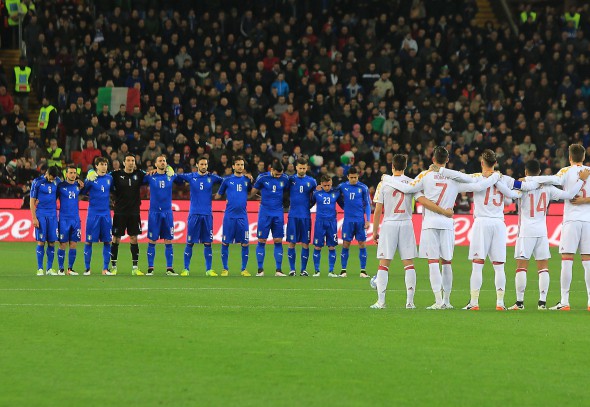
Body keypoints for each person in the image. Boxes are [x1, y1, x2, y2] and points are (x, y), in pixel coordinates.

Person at [384, 146, 500, 309]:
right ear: (447, 160)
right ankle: (447, 300)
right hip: (447, 224)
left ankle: (438, 301)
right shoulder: (454, 179)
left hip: (430, 224)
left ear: (433, 160)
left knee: (433, 262)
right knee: (447, 262)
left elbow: (408, 188)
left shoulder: (425, 175)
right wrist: (490, 176)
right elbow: (475, 184)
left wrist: (387, 179)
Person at [435, 149, 540, 310]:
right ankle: (500, 303)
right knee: (499, 266)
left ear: (482, 162)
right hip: (499, 223)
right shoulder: (504, 179)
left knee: (478, 264)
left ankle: (474, 302)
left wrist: (440, 170)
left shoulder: (476, 178)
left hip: (481, 223)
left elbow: (458, 177)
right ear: (495, 163)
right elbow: (523, 186)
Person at [499, 159, 589, 310]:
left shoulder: (524, 186)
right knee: (543, 267)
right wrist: (581, 180)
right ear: (540, 172)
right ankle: (542, 302)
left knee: (521, 267)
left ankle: (519, 302)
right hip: (542, 231)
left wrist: (499, 181)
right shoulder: (548, 187)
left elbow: (508, 194)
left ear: (526, 172)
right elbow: (569, 194)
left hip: (526, 231)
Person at [370, 154, 454, 309]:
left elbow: (378, 209)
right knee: (408, 264)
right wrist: (442, 211)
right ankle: (410, 302)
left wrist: (375, 231)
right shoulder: (411, 182)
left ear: (392, 166)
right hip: (406, 224)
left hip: (389, 224)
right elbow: (422, 201)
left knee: (384, 264)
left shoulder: (384, 183)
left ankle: (381, 302)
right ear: (406, 166)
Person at [527, 144, 590, 311]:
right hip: (588, 221)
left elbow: (552, 180)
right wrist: (586, 200)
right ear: (583, 157)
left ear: (570, 157)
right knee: (588, 262)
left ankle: (564, 301)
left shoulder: (565, 171)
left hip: (571, 221)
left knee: (567, 260)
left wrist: (531, 179)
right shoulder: (589, 171)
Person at [176, 156, 223, 276]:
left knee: (208, 243)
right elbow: (177, 176)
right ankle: (186, 269)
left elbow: (226, 181)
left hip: (207, 215)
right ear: (197, 165)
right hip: (194, 214)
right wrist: (167, 170)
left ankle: (209, 270)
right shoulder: (191, 177)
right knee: (190, 242)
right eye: (201, 164)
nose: (204, 166)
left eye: (205, 164)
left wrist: (221, 193)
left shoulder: (211, 177)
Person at [108, 153, 148, 276]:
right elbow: (102, 176)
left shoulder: (139, 174)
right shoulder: (115, 175)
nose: (131, 162)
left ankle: (135, 267)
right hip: (120, 211)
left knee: (134, 238)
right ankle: (113, 266)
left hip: (134, 212)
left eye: (133, 160)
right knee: (116, 238)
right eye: (128, 160)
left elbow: (151, 176)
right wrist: (91, 173)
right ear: (124, 162)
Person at [250, 161, 289, 276]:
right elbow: (252, 193)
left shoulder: (285, 178)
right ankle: (260, 270)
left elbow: (290, 191)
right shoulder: (262, 177)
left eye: (280, 174)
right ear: (271, 169)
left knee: (278, 240)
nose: (278, 176)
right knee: (262, 240)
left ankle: (278, 270)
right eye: (276, 174)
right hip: (265, 212)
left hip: (278, 212)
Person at [214, 155, 252, 276]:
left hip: (242, 216)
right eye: (238, 164)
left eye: (242, 165)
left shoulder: (247, 180)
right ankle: (225, 269)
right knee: (225, 242)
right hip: (229, 216)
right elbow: (218, 195)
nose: (240, 167)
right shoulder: (227, 180)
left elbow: (253, 193)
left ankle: (243, 269)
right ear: (233, 166)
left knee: (245, 243)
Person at [143, 154, 178, 276]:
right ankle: (150, 268)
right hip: (154, 213)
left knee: (168, 240)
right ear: (156, 164)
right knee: (152, 240)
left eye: (164, 161)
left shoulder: (171, 176)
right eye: (160, 161)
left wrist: (173, 171)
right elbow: (136, 176)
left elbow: (184, 178)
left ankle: (169, 268)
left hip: (167, 213)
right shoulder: (150, 176)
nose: (163, 162)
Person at [336, 167, 372, 278]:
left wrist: (368, 220)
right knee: (346, 244)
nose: (353, 180)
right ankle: (343, 270)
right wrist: (343, 206)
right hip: (348, 221)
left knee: (362, 244)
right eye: (351, 177)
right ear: (347, 177)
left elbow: (367, 205)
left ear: (358, 176)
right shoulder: (342, 186)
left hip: (360, 220)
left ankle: (363, 270)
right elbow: (335, 196)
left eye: (355, 177)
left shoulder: (363, 188)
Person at [81, 157, 113, 275]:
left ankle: (105, 268)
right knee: (89, 241)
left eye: (105, 164)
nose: (104, 166)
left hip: (106, 214)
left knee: (107, 241)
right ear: (96, 166)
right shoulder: (91, 179)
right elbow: (82, 192)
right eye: (102, 164)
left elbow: (114, 190)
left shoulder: (110, 178)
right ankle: (87, 268)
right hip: (93, 214)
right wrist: (87, 179)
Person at [286, 157, 317, 276]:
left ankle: (303, 269)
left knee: (305, 242)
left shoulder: (312, 181)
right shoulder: (291, 180)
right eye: (300, 168)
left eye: (304, 168)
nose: (302, 170)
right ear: (296, 167)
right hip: (293, 216)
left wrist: (309, 206)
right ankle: (292, 269)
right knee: (291, 242)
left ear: (307, 168)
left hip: (305, 216)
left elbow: (315, 197)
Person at [30, 165, 60, 275]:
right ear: (46, 173)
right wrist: (34, 218)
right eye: (51, 177)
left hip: (52, 215)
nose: (52, 180)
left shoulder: (57, 181)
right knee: (41, 241)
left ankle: (49, 269)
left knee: (52, 242)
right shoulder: (37, 182)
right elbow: (32, 201)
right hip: (41, 215)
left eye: (54, 178)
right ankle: (40, 268)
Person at [311, 175, 341, 277]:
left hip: (332, 222)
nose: (327, 187)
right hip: (320, 222)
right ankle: (316, 271)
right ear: (321, 184)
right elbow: (309, 204)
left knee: (332, 246)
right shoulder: (316, 193)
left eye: (329, 185)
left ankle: (331, 271)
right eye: (325, 185)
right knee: (317, 246)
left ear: (331, 183)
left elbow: (343, 204)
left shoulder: (336, 192)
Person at [57, 165, 83, 275]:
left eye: (74, 173)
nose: (73, 175)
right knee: (62, 244)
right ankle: (61, 269)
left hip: (75, 219)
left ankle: (70, 269)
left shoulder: (79, 186)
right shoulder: (60, 186)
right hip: (64, 219)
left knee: (73, 244)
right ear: (66, 174)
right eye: (70, 173)